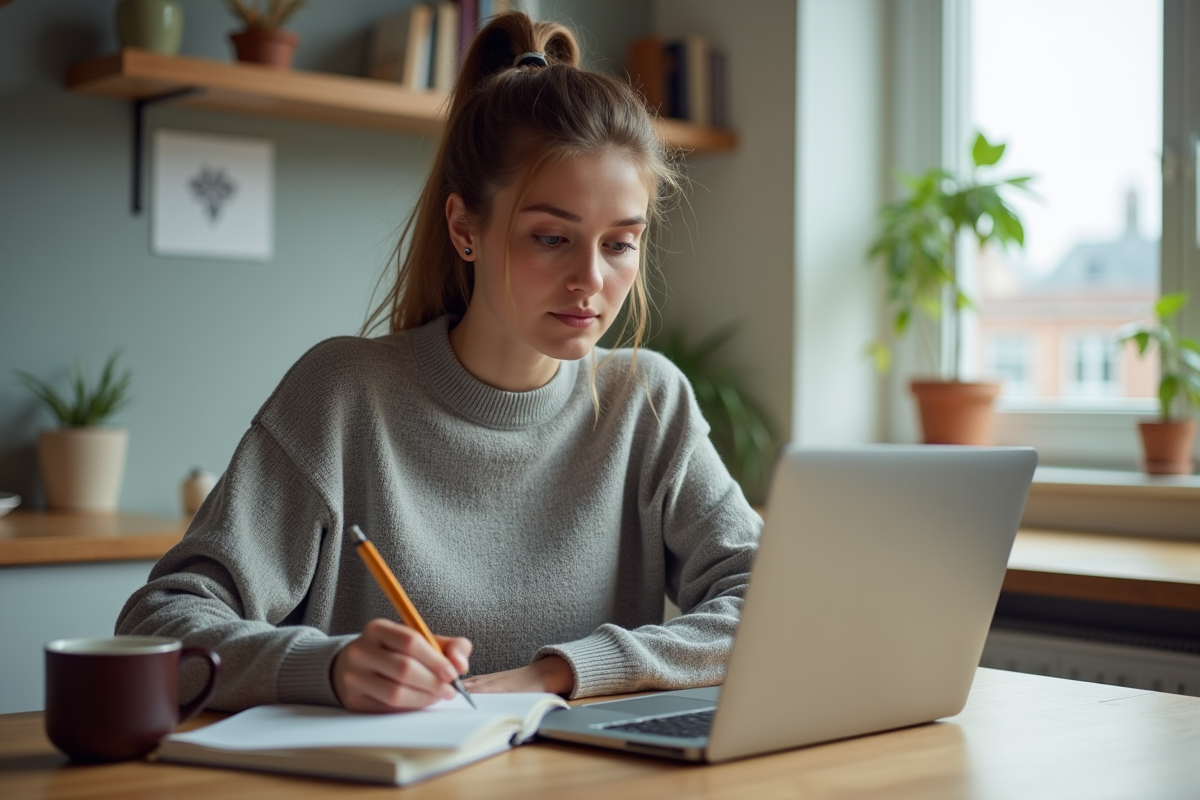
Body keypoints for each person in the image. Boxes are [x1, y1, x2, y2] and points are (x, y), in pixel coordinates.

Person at [116, 12, 762, 713]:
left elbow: (768, 600)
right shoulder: (342, 395)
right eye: (551, 237)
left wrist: (563, 673)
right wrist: (327, 668)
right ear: (465, 229)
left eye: (619, 244)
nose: (591, 281)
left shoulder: (647, 399)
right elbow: (160, 625)